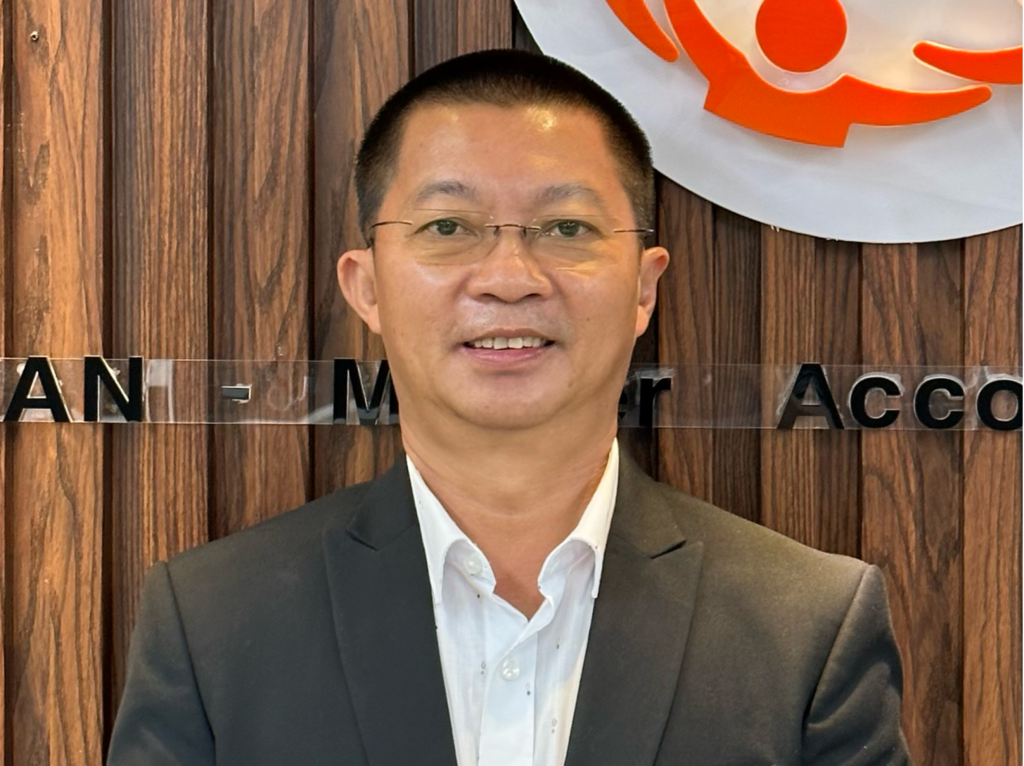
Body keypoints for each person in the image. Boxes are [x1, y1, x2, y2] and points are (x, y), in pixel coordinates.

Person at [107, 49, 911, 766]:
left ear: (643, 287)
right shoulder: (212, 624)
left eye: (566, 226)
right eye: (447, 225)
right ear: (367, 286)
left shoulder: (806, 629)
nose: (508, 278)